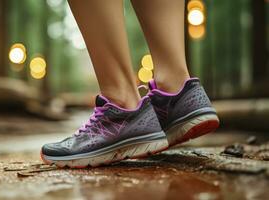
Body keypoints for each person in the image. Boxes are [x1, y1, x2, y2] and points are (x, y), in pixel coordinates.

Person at [40, 0, 219, 168]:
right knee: (172, 80)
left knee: (121, 97)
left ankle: (121, 101)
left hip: (123, 117)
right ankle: (176, 86)